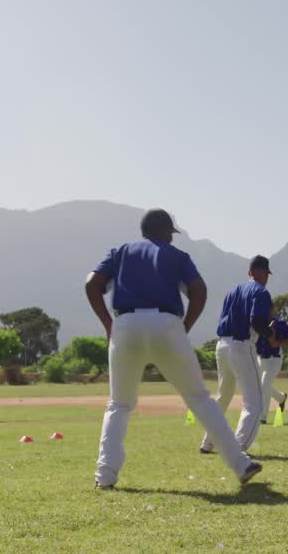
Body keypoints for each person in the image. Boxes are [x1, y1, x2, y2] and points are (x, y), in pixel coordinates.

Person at [85, 209, 263, 489]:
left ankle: (105, 477)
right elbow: (199, 290)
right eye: (171, 232)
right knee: (200, 398)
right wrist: (185, 326)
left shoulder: (119, 252)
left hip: (125, 324)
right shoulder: (176, 256)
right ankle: (240, 464)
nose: (171, 236)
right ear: (165, 231)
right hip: (167, 323)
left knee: (119, 404)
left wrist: (108, 324)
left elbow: (91, 283)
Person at [199, 255, 279, 454]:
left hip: (222, 345)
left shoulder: (232, 291)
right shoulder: (260, 291)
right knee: (255, 402)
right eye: (266, 273)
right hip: (241, 346)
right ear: (259, 272)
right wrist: (271, 335)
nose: (266, 277)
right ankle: (238, 448)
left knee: (224, 395)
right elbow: (256, 321)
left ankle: (208, 443)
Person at [256, 316, 288, 424]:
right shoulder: (257, 322)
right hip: (259, 358)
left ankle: (262, 418)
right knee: (262, 386)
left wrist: (278, 342)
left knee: (264, 385)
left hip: (274, 359)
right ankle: (281, 398)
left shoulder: (280, 324)